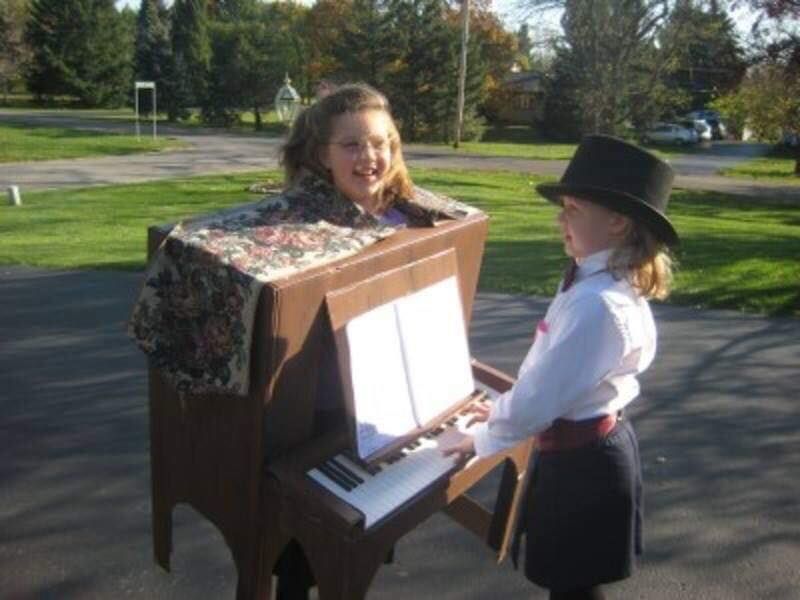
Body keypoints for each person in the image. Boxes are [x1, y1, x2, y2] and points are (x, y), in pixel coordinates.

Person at [444, 134, 680, 600]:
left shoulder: (598, 305)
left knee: (574, 587)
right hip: (581, 454)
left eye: (572, 209)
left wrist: (478, 439)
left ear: (616, 221)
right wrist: (495, 412)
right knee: (571, 584)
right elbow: (546, 374)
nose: (560, 219)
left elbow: (539, 400)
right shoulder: (594, 281)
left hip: (584, 468)